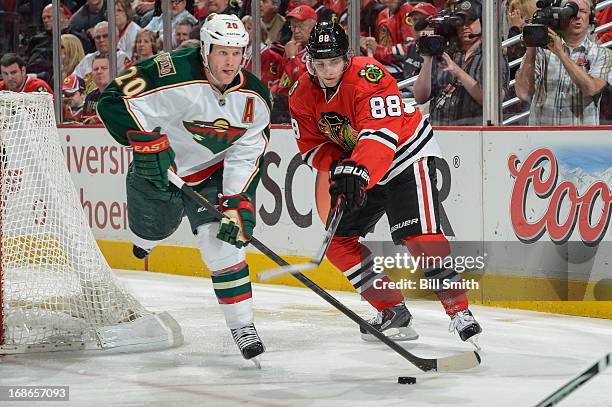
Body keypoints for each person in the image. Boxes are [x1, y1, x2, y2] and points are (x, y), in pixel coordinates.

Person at [288, 21, 482, 345]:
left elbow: (381, 136)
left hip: (405, 153)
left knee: (420, 237)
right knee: (338, 242)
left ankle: (460, 312)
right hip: (361, 163)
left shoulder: (369, 76)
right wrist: (340, 168)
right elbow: (312, 147)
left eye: (334, 61)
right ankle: (392, 311)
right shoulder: (301, 95)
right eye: (320, 63)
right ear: (310, 61)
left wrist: (357, 171)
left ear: (346, 57)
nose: (328, 70)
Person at [97, 13, 271, 363]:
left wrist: (237, 200)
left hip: (212, 171)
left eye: (237, 53)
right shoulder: (169, 71)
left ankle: (243, 326)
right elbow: (113, 99)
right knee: (153, 228)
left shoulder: (255, 97)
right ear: (205, 49)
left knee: (221, 240)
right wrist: (146, 143)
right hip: (162, 167)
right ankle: (146, 241)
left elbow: (246, 153)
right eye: (223, 52)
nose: (230, 62)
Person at [515, 0, 612, 125]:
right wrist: (531, 48)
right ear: (561, 17)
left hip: (581, 141)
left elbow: (591, 88)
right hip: (541, 138)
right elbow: (523, 93)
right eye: (571, 11)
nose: (577, 16)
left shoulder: (602, 54)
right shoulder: (541, 51)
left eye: (582, 11)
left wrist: (561, 54)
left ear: (591, 17)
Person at [413, 0, 509, 125]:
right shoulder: (445, 53)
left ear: (483, 21)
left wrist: (457, 71)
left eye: (471, 21)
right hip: (438, 131)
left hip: (475, 134)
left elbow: (492, 100)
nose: (465, 26)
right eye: (460, 21)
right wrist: (427, 60)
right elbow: (420, 97)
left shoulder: (492, 55)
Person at [82, 55, 110, 123]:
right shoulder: (90, 97)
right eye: (96, 69)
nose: (99, 72)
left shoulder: (121, 96)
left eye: (104, 68)